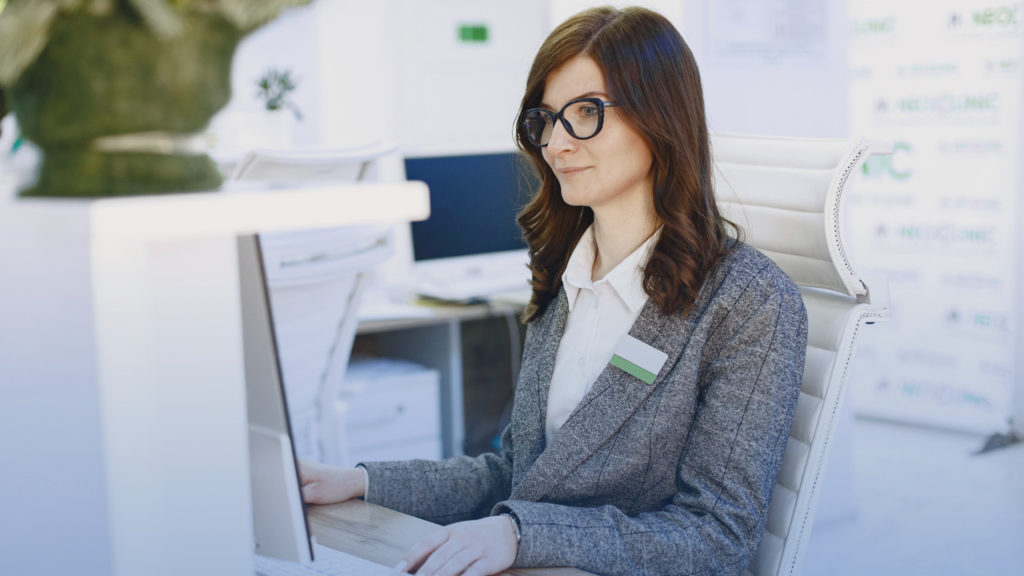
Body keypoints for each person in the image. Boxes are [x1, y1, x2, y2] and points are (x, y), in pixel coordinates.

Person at [300, 6, 807, 576]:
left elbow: (716, 538)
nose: (556, 144)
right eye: (545, 119)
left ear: (662, 117)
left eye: (586, 113)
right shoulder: (562, 274)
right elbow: (516, 474)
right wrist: (361, 482)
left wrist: (523, 534)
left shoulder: (751, 302)